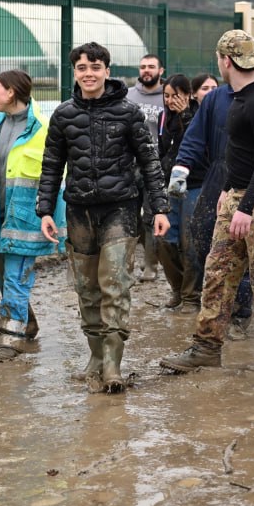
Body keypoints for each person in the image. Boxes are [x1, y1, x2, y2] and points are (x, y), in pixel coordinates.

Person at [161, 31, 254, 372]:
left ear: (225, 60)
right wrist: (228, 188)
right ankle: (206, 347)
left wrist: (246, 207)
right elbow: (237, 154)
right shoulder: (235, 98)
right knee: (218, 273)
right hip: (237, 195)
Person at [37, 42, 169, 394]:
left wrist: (159, 208)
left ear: (107, 71)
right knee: (86, 288)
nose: (89, 74)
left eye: (95, 67)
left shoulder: (128, 113)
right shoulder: (63, 115)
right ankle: (95, 356)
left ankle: (112, 364)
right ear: (75, 72)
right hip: (79, 210)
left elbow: (150, 162)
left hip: (120, 209)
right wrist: (45, 210)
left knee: (115, 283)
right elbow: (52, 165)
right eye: (82, 68)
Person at [0, 70, 64, 361]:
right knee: (2, 276)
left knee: (16, 279)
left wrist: (54, 219)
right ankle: (27, 322)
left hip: (26, 220)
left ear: (12, 92)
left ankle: (9, 341)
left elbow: (56, 178)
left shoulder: (42, 129)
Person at [156, 74, 203, 314]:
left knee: (191, 242)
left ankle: (192, 296)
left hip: (195, 184)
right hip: (169, 187)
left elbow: (197, 146)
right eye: (166, 96)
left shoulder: (199, 116)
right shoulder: (163, 117)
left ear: (188, 95)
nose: (170, 100)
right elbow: (162, 150)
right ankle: (177, 287)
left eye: (176, 95)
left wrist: (185, 116)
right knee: (163, 240)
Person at [127, 53, 166, 282]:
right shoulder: (129, 96)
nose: (146, 70)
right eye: (143, 67)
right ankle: (140, 258)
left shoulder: (167, 96)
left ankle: (151, 265)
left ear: (161, 71)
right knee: (131, 217)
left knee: (151, 217)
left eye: (151, 66)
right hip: (129, 166)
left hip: (155, 165)